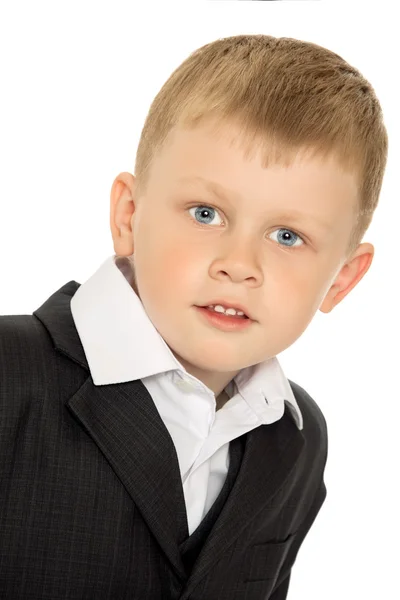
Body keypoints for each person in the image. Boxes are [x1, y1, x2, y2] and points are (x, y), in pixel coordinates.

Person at [0, 34, 388, 599]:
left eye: (288, 235)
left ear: (343, 279)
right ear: (130, 217)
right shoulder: (10, 375)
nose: (239, 264)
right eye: (206, 213)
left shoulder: (296, 441)